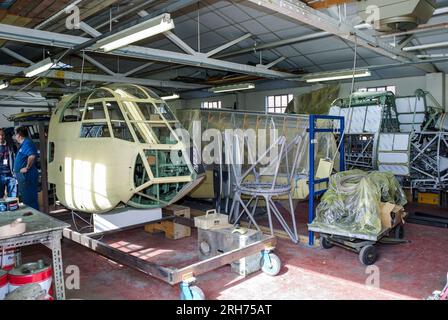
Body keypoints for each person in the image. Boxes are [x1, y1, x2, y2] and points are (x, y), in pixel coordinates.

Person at [13, 126, 39, 210]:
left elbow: (32, 156)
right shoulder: (24, 144)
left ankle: (34, 219)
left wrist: (27, 168)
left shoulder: (27, 143)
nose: (15, 136)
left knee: (30, 200)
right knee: (27, 199)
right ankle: (32, 217)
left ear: (19, 135)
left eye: (15, 134)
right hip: (24, 177)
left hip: (27, 176)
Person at [0, 128, 17, 198]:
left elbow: (16, 159)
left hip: (11, 175)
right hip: (0, 175)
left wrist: (15, 174)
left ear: (5, 135)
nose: (1, 137)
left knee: (12, 198)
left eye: (2, 135)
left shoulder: (11, 146)